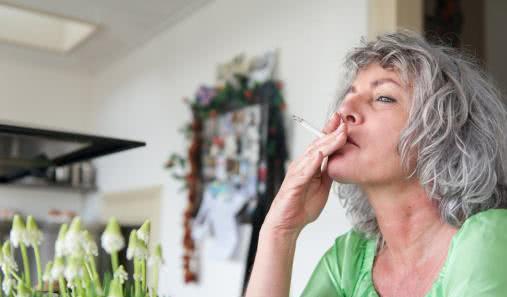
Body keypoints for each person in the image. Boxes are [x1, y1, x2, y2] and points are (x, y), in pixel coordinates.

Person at [244, 31, 507, 297]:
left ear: (444, 132)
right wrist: (279, 232)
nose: (344, 110)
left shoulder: (488, 239)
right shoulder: (349, 258)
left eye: (383, 97)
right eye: (349, 94)